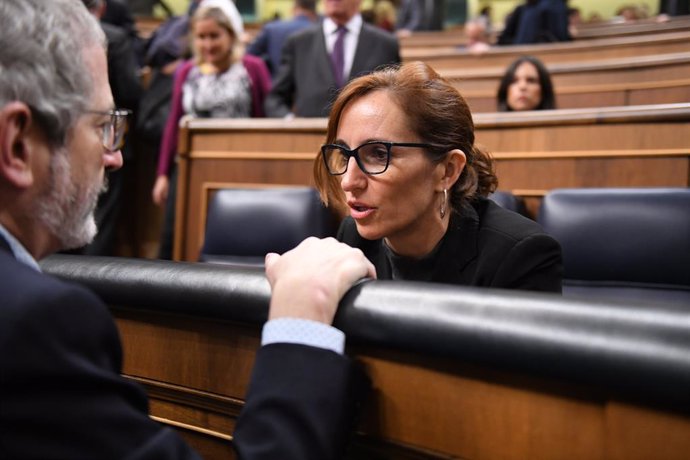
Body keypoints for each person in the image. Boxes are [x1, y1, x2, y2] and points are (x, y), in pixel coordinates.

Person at [0, 2, 374, 458]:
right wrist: (301, 323)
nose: (113, 155)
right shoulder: (34, 323)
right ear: (18, 145)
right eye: (102, 125)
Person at [313, 61, 563, 292]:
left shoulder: (521, 255)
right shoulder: (354, 235)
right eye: (345, 156)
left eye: (378, 154)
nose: (348, 182)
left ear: (448, 170)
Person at [152, 0, 272, 259]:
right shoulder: (187, 71)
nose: (208, 44)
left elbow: (265, 117)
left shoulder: (253, 68)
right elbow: (175, 123)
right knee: (177, 236)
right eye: (201, 37)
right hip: (189, 167)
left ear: (230, 35)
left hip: (241, 166)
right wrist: (163, 174)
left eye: (214, 36)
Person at [77, 0, 142, 256]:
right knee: (102, 215)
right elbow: (130, 91)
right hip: (108, 132)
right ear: (102, 7)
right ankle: (93, 286)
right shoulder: (113, 38)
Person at [264, 0, 400, 118]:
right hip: (310, 142)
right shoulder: (299, 42)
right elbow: (275, 99)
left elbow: (397, 97)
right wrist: (291, 123)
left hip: (365, 143)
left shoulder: (386, 44)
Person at [247, 0, 319, 77]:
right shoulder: (322, 32)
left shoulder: (272, 29)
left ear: (294, 8)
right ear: (315, 12)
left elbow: (248, 56)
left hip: (276, 85)